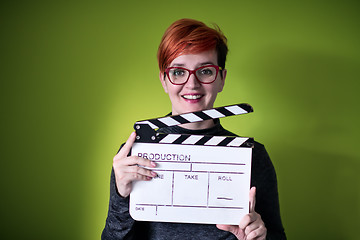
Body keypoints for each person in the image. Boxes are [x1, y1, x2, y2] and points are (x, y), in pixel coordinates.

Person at [102, 18, 286, 240]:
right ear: (164, 80)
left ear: (221, 79)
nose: (192, 84)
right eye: (178, 72)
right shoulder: (134, 155)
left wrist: (260, 237)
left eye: (205, 71)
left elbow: (277, 235)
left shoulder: (253, 154)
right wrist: (121, 198)